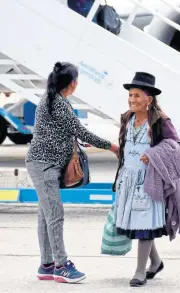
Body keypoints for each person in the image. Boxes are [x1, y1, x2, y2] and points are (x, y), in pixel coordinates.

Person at [26, 62, 119, 283]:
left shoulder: (51, 100)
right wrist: (112, 146)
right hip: (45, 165)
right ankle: (61, 265)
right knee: (55, 216)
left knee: (45, 216)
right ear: (73, 83)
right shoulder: (58, 103)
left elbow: (67, 133)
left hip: (42, 164)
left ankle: (46, 264)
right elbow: (80, 130)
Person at [112, 72, 180, 287]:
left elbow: (177, 148)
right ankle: (155, 262)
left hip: (149, 180)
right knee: (137, 223)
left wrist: (154, 154)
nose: (132, 99)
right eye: (130, 95)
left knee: (145, 223)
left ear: (149, 99)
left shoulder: (161, 121)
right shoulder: (127, 118)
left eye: (136, 95)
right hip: (128, 179)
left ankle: (139, 271)